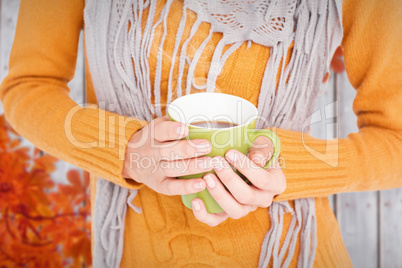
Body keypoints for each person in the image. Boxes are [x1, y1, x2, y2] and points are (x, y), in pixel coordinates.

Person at [0, 0, 401, 267]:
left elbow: (394, 141)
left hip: (293, 250)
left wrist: (283, 167)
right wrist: (123, 148)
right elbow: (28, 85)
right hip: (135, 253)